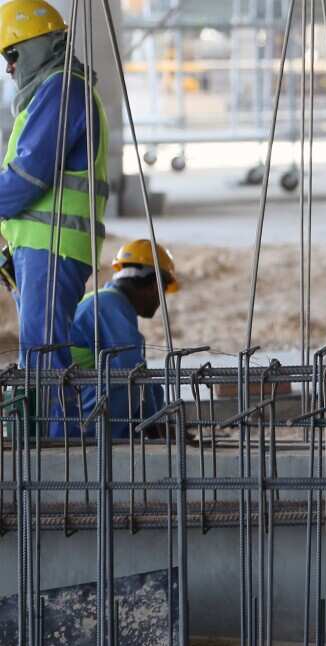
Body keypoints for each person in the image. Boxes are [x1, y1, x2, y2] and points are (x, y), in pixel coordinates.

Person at [0, 0, 110, 427]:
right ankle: (50, 447)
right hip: (42, 247)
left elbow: (26, 178)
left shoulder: (63, 90)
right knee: (42, 353)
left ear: (38, 45)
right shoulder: (56, 91)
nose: (9, 68)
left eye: (13, 54)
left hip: (53, 246)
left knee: (45, 355)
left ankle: (56, 455)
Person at [67, 240, 177, 439]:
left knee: (152, 388)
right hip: (76, 415)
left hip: (78, 399)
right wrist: (160, 435)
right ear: (154, 286)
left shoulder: (108, 301)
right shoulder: (110, 305)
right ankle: (106, 443)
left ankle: (130, 437)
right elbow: (133, 375)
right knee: (129, 383)